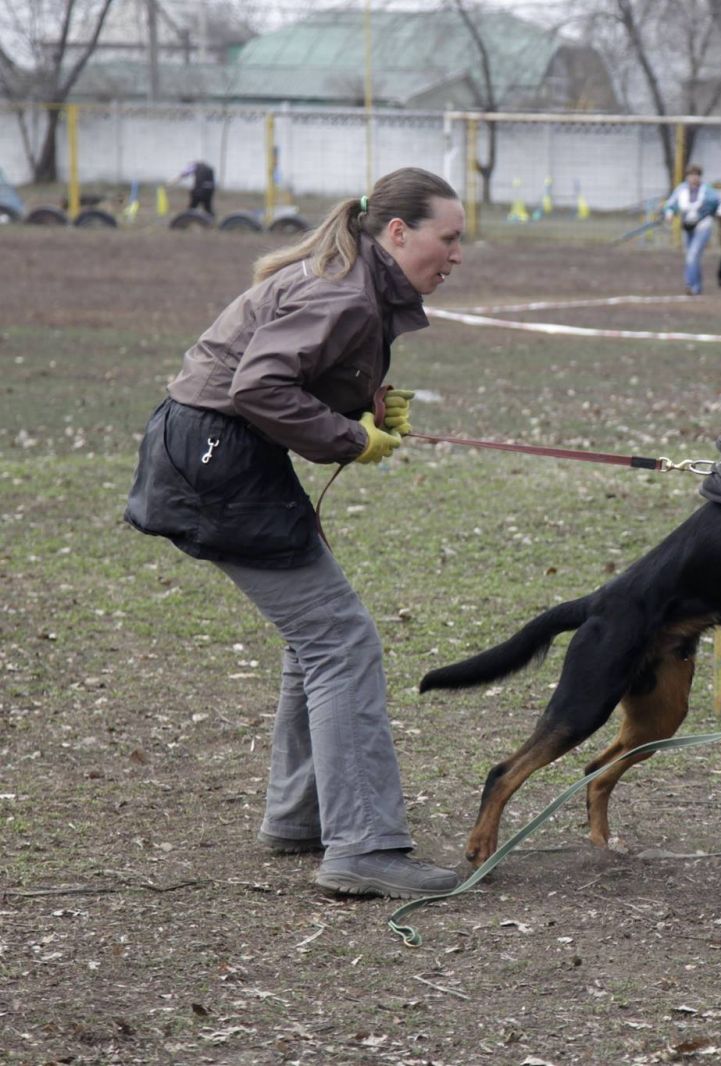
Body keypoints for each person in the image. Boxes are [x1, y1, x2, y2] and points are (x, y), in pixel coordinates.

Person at [125, 167, 466, 900]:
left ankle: (300, 815)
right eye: (449, 237)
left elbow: (287, 373)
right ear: (398, 232)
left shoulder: (353, 280)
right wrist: (351, 437)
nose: (457, 254)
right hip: (218, 460)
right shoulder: (344, 292)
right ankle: (364, 846)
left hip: (215, 450)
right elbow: (257, 386)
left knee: (319, 634)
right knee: (340, 640)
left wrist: (364, 408)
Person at [661, 164, 721, 295]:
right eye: (691, 175)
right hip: (687, 227)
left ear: (700, 176)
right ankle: (695, 285)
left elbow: (719, 203)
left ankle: (691, 286)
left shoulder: (707, 190)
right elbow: (671, 204)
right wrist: (669, 213)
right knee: (690, 257)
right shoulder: (681, 189)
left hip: (703, 225)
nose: (693, 178)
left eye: (696, 175)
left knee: (693, 255)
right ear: (687, 176)